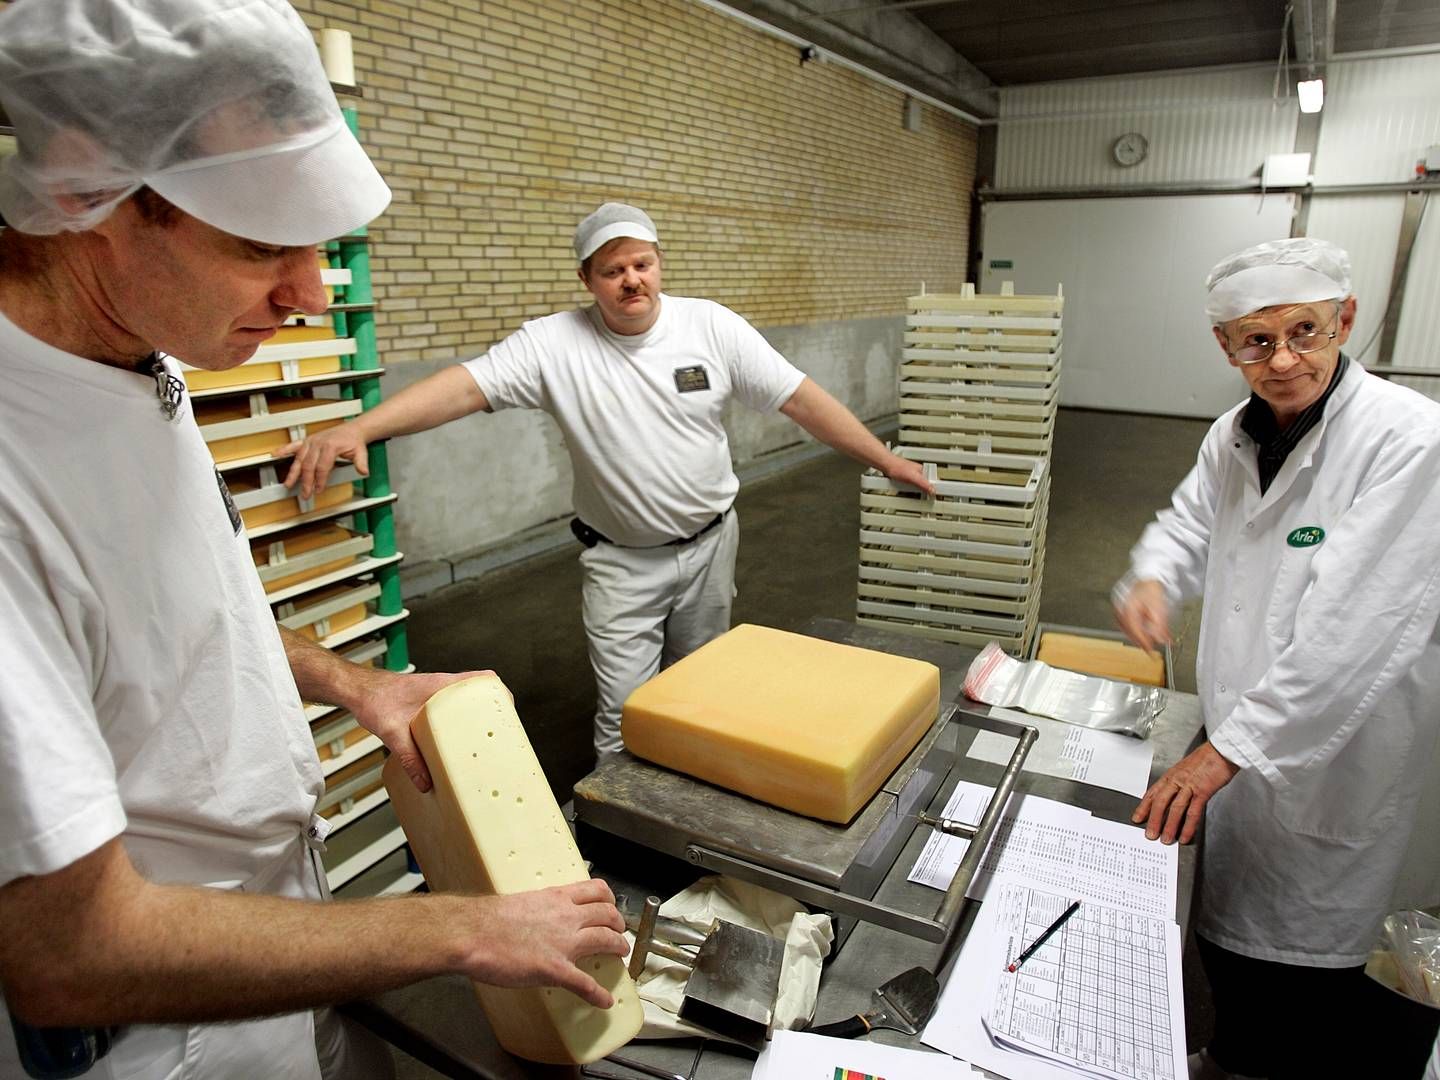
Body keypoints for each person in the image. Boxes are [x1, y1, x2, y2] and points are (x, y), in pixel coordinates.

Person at [0, 2, 628, 1077]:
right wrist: (465, 928)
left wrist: (352, 685)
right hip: (160, 1035)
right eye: (260, 247)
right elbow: (73, 950)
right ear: (81, 188)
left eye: (317, 248)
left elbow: (180, 610)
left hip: (278, 934)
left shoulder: (132, 359)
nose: (305, 295)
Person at [284, 201, 935, 760]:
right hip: (622, 564)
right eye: (613, 270)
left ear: (659, 263)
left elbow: (799, 398)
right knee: (624, 711)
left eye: (642, 264)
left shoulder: (710, 326)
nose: (632, 280)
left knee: (701, 683)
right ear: (588, 279)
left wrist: (884, 459)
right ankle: (618, 844)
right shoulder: (551, 345)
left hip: (712, 544)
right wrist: (363, 428)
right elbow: (463, 386)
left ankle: (691, 798)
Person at [1112, 237, 1440, 1079]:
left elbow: (1353, 633)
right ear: (1226, 346)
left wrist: (1223, 752)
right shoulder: (1233, 434)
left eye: (1307, 331)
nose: (1285, 359)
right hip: (1246, 732)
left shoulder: (1407, 440)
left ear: (1347, 321)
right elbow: (1190, 521)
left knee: (1317, 968)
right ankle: (1239, 1052)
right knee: (1238, 942)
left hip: (1341, 748)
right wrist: (1156, 577)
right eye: (1258, 341)